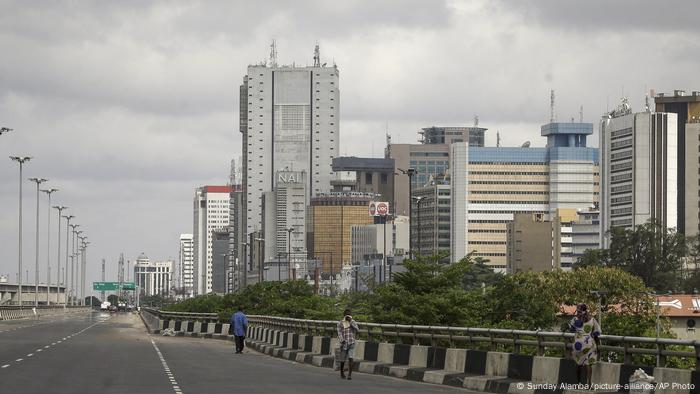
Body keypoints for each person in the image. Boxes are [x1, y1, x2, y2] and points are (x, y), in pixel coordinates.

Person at [569, 303, 601, 387]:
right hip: (589, 344)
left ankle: (578, 383)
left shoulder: (575, 319)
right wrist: (598, 345)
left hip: (578, 345)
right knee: (588, 364)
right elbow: (597, 333)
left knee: (578, 363)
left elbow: (571, 330)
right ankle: (589, 383)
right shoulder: (592, 319)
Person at [336, 309, 359, 380]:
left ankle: (349, 374)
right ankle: (342, 373)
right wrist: (342, 340)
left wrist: (350, 322)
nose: (348, 317)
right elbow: (339, 332)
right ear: (344, 316)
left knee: (351, 358)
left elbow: (357, 329)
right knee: (342, 360)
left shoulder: (353, 321)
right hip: (344, 343)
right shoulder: (340, 323)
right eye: (347, 316)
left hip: (351, 342)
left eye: (349, 316)